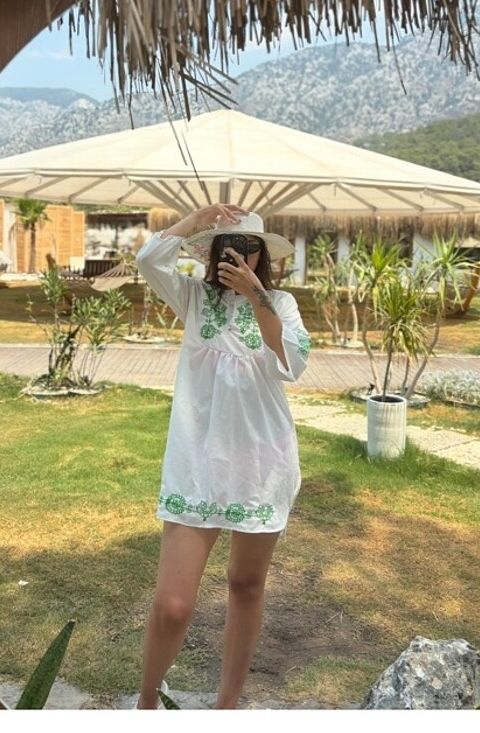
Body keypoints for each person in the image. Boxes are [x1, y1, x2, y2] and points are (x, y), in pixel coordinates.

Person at [134, 204, 311, 709]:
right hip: (196, 464)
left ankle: (226, 707)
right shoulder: (193, 298)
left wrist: (256, 294)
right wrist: (197, 219)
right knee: (172, 605)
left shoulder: (281, 302)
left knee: (246, 584)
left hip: (262, 464)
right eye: (228, 245)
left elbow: (293, 361)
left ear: (262, 255)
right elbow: (148, 259)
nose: (239, 254)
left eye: (249, 246)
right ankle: (146, 705)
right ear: (212, 253)